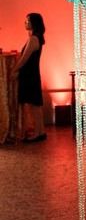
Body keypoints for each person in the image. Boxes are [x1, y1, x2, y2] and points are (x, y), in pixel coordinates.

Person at [12, 13, 46, 142]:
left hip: (30, 74)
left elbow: (24, 58)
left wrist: (14, 70)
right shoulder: (34, 37)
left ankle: (38, 133)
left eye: (28, 20)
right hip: (31, 73)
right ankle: (40, 131)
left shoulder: (34, 39)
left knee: (33, 104)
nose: (25, 22)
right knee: (34, 104)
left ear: (34, 23)